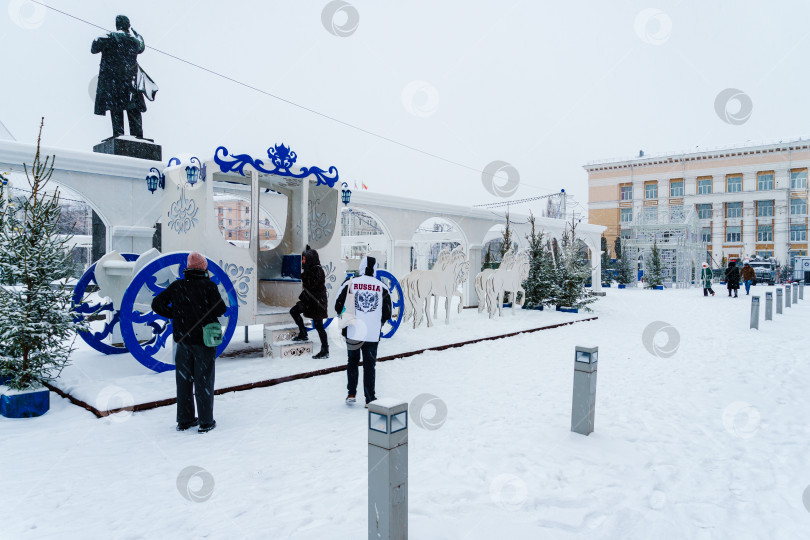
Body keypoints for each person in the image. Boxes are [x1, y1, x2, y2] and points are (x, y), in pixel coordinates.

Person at [151, 252, 226, 433]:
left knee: (184, 382)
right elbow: (221, 309)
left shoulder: (177, 286)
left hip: (183, 341)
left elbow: (157, 304)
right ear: (203, 268)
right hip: (203, 342)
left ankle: (184, 420)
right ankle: (206, 422)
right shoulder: (209, 286)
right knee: (204, 381)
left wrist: (175, 314)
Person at [334, 256, 392, 407]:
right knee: (369, 365)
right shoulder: (382, 286)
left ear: (361, 267)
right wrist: (376, 322)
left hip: (353, 331)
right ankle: (369, 398)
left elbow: (337, 305)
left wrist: (346, 315)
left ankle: (351, 393)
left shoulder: (350, 283)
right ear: (375, 268)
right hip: (372, 334)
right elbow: (387, 312)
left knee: (352, 362)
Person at [91, 15, 157, 138]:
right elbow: (141, 46)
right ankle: (138, 136)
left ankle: (119, 134)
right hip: (131, 83)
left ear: (117, 25)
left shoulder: (110, 37)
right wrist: (136, 34)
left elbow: (94, 47)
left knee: (116, 109)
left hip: (114, 82)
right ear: (128, 26)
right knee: (133, 111)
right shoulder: (134, 41)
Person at [289, 245, 329, 359]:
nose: (303, 261)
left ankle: (325, 350)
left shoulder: (317, 269)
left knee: (319, 326)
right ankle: (303, 333)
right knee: (294, 311)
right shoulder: (311, 269)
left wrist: (303, 275)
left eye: (305, 259)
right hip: (309, 301)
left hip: (317, 302)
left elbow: (311, 284)